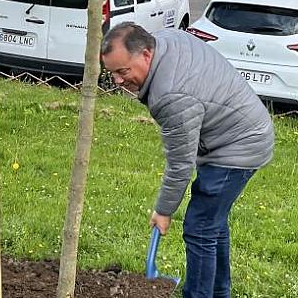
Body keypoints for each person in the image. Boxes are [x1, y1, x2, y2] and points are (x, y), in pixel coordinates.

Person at [100, 23, 274, 298]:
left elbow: (180, 163)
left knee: (200, 226)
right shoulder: (164, 41)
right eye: (112, 73)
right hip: (244, 128)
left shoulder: (170, 94)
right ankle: (219, 292)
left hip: (238, 146)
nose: (119, 81)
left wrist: (164, 210)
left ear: (146, 54)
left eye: (123, 71)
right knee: (211, 221)